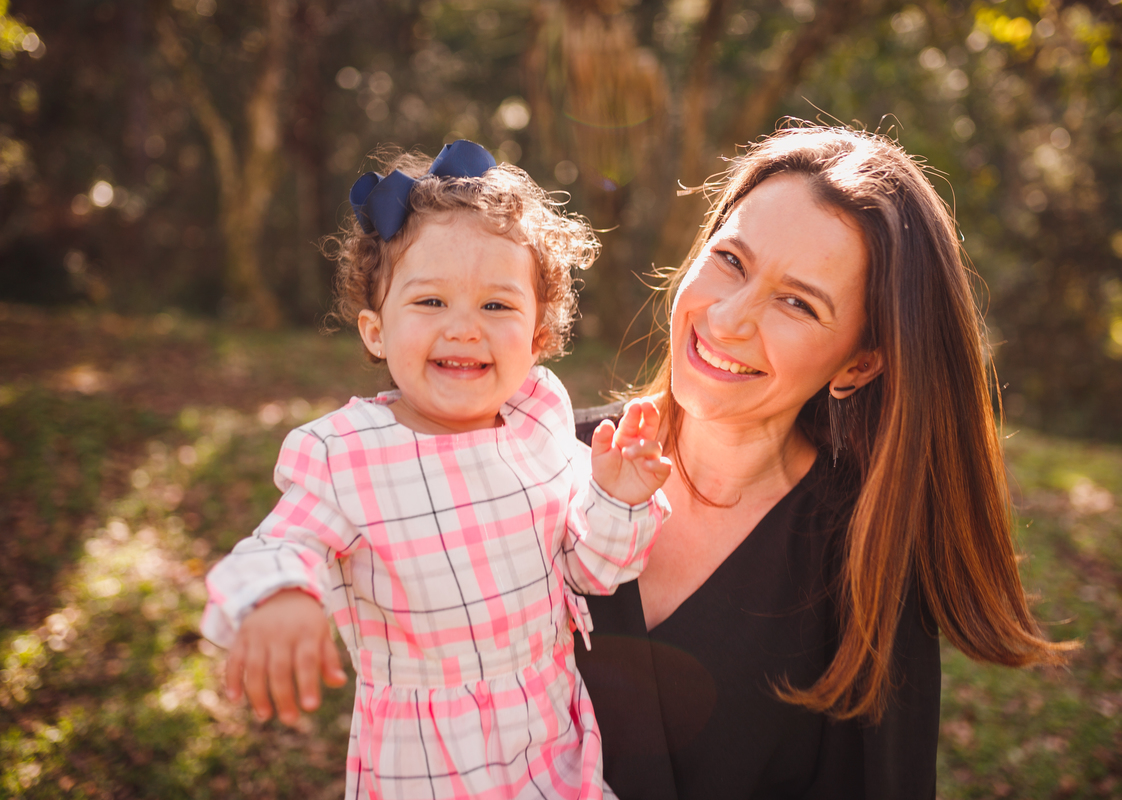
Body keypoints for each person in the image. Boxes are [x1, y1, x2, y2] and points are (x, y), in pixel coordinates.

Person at [570, 124, 1077, 800]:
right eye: (731, 260)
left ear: (860, 364)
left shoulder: (867, 562)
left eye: (797, 303)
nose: (729, 319)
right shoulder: (530, 460)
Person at [201, 140, 672, 800]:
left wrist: (616, 500)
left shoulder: (537, 420)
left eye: (496, 306)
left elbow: (588, 572)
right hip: (430, 763)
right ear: (375, 331)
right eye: (430, 302)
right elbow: (282, 543)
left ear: (538, 337)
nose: (464, 328)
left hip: (554, 745)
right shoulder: (349, 454)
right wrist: (280, 595)